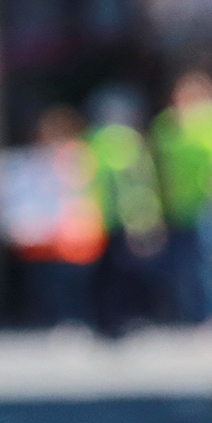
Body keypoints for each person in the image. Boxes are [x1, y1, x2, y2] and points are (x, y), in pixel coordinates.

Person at [0, 105, 105, 326]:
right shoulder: (35, 160)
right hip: (46, 241)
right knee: (50, 286)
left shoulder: (79, 157)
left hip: (79, 237)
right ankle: (60, 321)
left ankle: (78, 321)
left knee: (76, 287)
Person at [151, 69, 212, 322]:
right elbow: (160, 165)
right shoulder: (168, 124)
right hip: (178, 209)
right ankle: (192, 315)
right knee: (185, 268)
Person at [84, 87, 167, 335]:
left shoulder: (93, 140)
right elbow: (137, 185)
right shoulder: (126, 141)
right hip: (120, 220)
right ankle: (120, 320)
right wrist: (145, 218)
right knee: (123, 273)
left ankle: (108, 320)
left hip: (99, 219)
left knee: (107, 274)